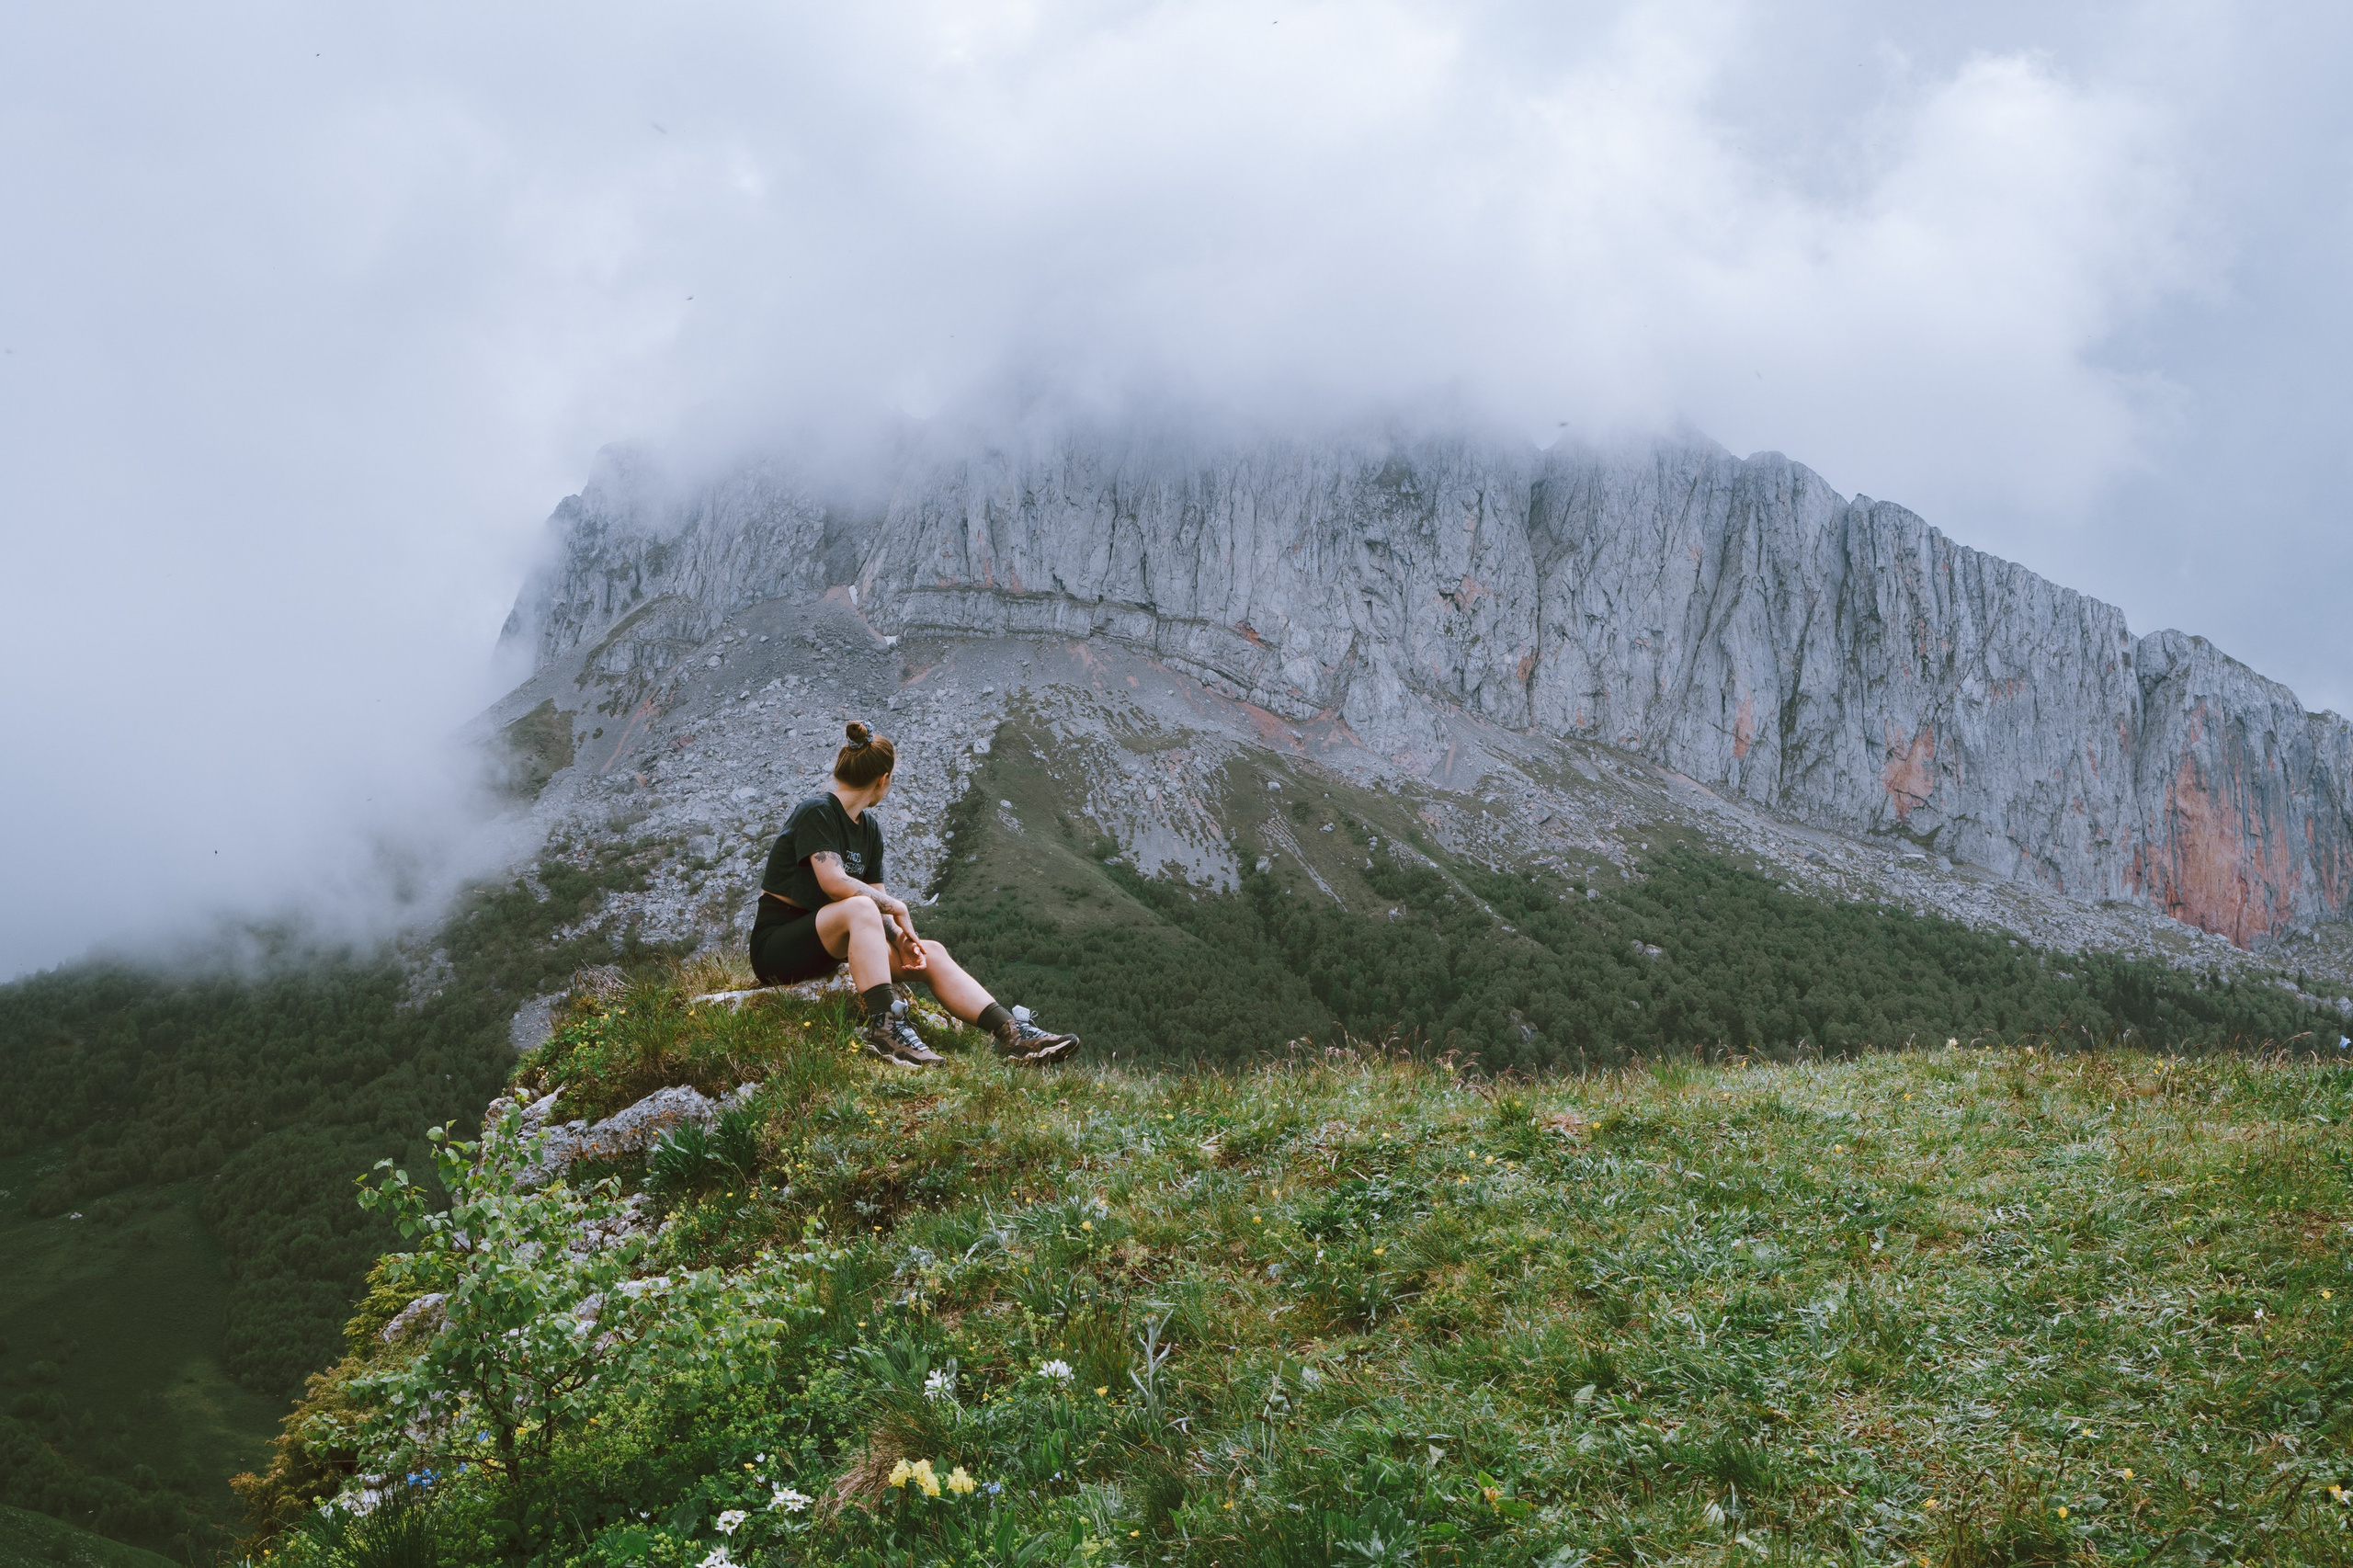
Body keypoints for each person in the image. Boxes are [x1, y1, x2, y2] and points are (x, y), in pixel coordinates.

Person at [749, 721, 1079, 1068]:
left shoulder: (869, 828)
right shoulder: (818, 811)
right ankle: (886, 1031)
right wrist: (896, 907)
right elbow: (834, 882)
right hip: (778, 949)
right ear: (883, 779)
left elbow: (877, 901)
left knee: (929, 951)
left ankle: (1012, 1035)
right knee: (860, 908)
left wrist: (901, 937)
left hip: (829, 945)